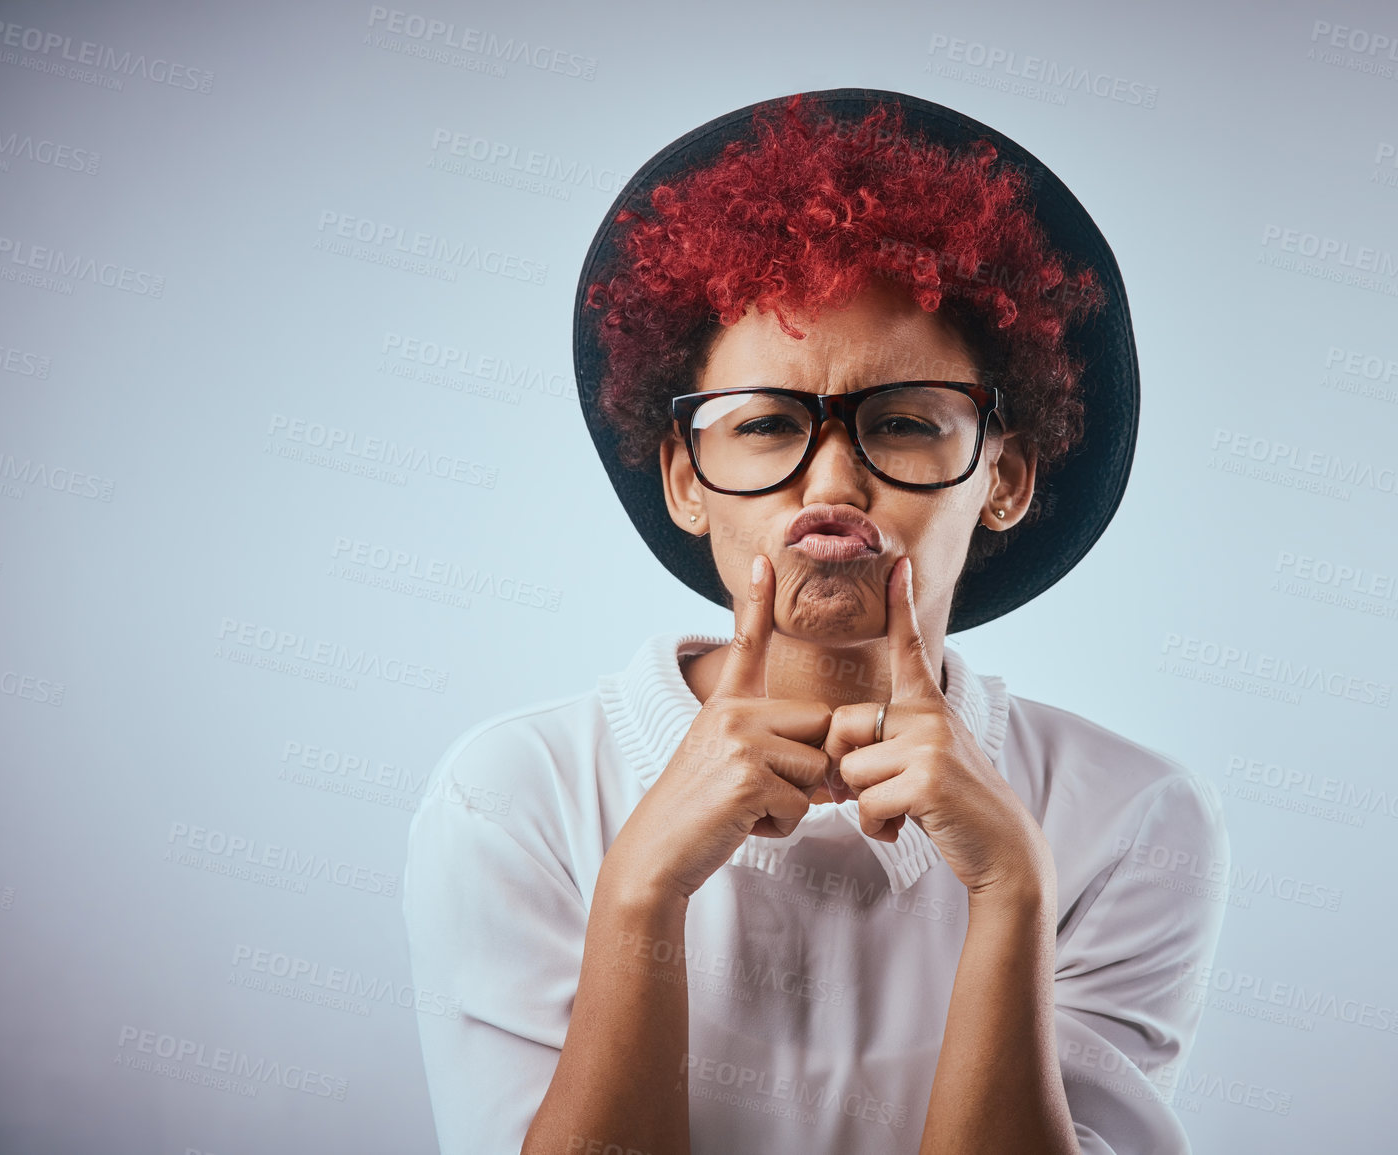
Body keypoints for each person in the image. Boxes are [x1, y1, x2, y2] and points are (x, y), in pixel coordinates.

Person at [402, 90, 1230, 1155]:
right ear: (685, 479)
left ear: (1007, 476)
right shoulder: (513, 797)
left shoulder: (1134, 824)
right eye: (766, 425)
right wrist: (641, 891)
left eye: (901, 421)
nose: (830, 484)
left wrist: (1014, 891)